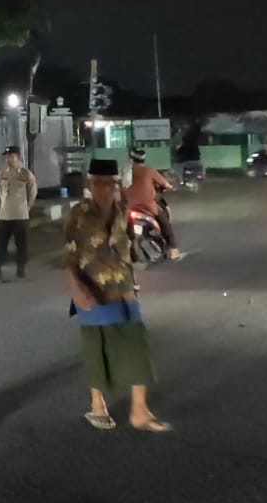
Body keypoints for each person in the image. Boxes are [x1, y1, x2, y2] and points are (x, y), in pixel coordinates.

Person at [64, 158, 170, 432]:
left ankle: (139, 411)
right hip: (92, 291)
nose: (104, 188)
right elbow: (70, 257)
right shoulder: (78, 215)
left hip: (123, 290)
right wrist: (77, 289)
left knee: (137, 345)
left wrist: (133, 281)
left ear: (116, 185)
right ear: (90, 185)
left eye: (109, 183)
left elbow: (129, 252)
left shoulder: (123, 212)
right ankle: (97, 406)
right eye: (99, 183)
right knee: (97, 349)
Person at [124, 155, 183, 261]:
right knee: (165, 223)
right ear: (143, 159)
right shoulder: (149, 171)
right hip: (148, 206)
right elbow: (165, 184)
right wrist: (169, 187)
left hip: (128, 207)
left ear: (131, 160)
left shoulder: (125, 172)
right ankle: (173, 249)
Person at [0, 146, 37, 282]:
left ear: (18, 158)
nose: (9, 160)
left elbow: (32, 192)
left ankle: (21, 268)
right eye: (7, 157)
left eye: (12, 157)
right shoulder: (1, 173)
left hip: (20, 215)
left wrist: (27, 207)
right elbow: (0, 191)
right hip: (4, 215)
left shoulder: (26, 174)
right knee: (1, 244)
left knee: (21, 245)